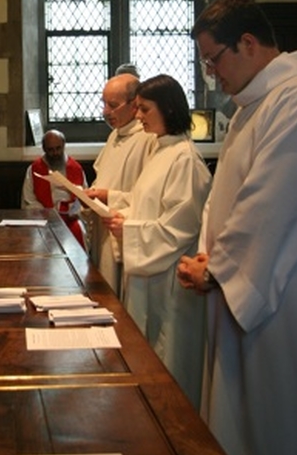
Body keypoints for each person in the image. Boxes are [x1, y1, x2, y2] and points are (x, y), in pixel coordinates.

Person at [177, 0, 297, 455]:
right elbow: (225, 203)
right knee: (243, 435)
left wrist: (222, 267)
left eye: (214, 61)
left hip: (282, 303)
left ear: (250, 44)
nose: (213, 75)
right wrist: (213, 257)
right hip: (240, 288)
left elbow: (271, 203)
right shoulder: (255, 105)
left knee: (278, 440)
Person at [94, 75, 211, 407]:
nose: (139, 115)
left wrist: (129, 230)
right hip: (149, 274)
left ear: (168, 108)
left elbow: (180, 227)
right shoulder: (162, 151)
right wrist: (123, 217)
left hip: (170, 282)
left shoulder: (185, 159)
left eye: (145, 108)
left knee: (169, 361)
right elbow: (145, 204)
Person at [85, 72, 155, 293]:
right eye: (103, 103)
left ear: (134, 104)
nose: (105, 111)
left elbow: (150, 198)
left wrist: (108, 196)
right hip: (103, 233)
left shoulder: (149, 138)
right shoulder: (115, 135)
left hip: (125, 234)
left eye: (112, 105)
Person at [21, 129, 87, 247]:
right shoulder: (35, 169)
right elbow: (29, 200)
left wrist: (74, 210)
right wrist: (48, 213)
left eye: (58, 148)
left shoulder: (76, 168)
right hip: (44, 219)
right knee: (38, 243)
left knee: (80, 232)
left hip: (71, 218)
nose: (55, 153)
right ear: (44, 149)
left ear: (63, 146)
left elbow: (84, 196)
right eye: (50, 150)